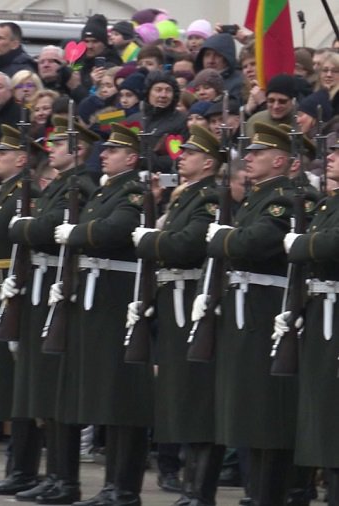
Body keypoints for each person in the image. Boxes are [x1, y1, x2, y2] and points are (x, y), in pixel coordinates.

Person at [201, 122, 300, 505]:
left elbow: (254, 243)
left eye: (258, 153)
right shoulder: (257, 198)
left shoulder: (283, 198)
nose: (249, 158)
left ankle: (268, 494)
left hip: (264, 310)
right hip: (244, 307)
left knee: (263, 408)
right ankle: (256, 492)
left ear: (279, 160)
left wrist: (221, 238)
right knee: (247, 408)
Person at [54, 123, 150, 506]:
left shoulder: (133, 191)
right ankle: (111, 485)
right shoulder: (106, 190)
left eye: (113, 150)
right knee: (105, 395)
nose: (104, 155)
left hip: (116, 297)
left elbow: (117, 229)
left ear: (131, 158)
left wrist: (76, 234)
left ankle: (122, 487)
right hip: (95, 296)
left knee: (120, 395)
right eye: (104, 149)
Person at [7, 116, 99, 503]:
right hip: (43, 285)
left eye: (60, 143)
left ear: (78, 150)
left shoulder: (80, 185)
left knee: (56, 388)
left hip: (58, 288)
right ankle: (55, 474)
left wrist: (23, 226)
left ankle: (65, 478)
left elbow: (44, 230)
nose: (52, 149)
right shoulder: (62, 184)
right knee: (45, 390)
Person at [132, 125, 224, 505]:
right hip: (174, 302)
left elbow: (187, 245)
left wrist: (150, 239)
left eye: (190, 153)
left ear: (209, 163)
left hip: (191, 303)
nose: (181, 157)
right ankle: (189, 488)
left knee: (197, 399)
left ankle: (199, 491)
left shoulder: (209, 197)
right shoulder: (187, 196)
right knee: (181, 398)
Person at [0, 124, 42, 496]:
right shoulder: (9, 191)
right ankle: (17, 465)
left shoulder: (26, 192)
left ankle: (24, 467)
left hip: (14, 287)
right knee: (8, 380)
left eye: (3, 152)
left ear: (21, 159)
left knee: (20, 381)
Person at [282, 137, 339, 501]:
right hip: (321, 310)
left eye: (338, 152)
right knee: (322, 409)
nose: (330, 157)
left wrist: (299, 245)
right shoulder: (329, 203)